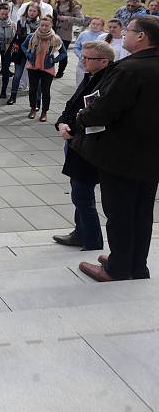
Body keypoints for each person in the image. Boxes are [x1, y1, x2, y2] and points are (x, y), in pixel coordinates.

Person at [74, 15, 159, 281]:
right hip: (151, 156)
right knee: (141, 213)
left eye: (130, 30)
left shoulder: (130, 69)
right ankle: (135, 264)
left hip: (122, 155)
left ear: (142, 36)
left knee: (120, 213)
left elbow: (104, 110)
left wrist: (81, 117)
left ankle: (118, 268)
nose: (125, 34)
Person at [53, 40, 114, 251]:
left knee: (82, 194)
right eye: (83, 56)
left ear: (104, 62)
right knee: (78, 193)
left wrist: (71, 130)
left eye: (88, 58)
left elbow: (95, 118)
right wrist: (61, 123)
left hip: (88, 148)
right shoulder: (91, 77)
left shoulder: (106, 83)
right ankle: (80, 233)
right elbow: (72, 104)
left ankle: (91, 240)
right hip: (76, 143)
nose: (83, 61)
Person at [22, 15, 67, 122]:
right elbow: (23, 46)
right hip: (33, 67)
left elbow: (63, 53)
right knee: (32, 89)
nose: (44, 27)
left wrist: (54, 60)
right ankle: (33, 109)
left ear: (51, 26)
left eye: (46, 25)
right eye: (42, 25)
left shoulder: (55, 38)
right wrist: (28, 54)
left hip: (47, 69)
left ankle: (44, 112)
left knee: (45, 91)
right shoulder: (32, 36)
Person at [6, 3, 41, 104]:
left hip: (34, 54)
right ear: (27, 11)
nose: (32, 13)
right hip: (21, 52)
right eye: (30, 10)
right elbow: (20, 36)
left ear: (38, 12)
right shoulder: (21, 21)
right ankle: (13, 96)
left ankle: (36, 100)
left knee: (35, 79)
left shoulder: (40, 23)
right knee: (17, 75)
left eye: (34, 11)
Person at [52, 0, 83, 79]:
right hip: (55, 31)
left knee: (63, 53)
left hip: (66, 33)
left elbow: (81, 20)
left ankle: (61, 71)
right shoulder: (56, 4)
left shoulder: (74, 7)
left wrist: (68, 18)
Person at [73, 17, 109, 85]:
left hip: (97, 67)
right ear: (90, 24)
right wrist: (81, 55)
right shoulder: (83, 34)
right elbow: (76, 47)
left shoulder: (105, 36)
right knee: (80, 85)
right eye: (93, 23)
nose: (95, 26)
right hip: (82, 65)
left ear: (102, 26)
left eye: (98, 24)